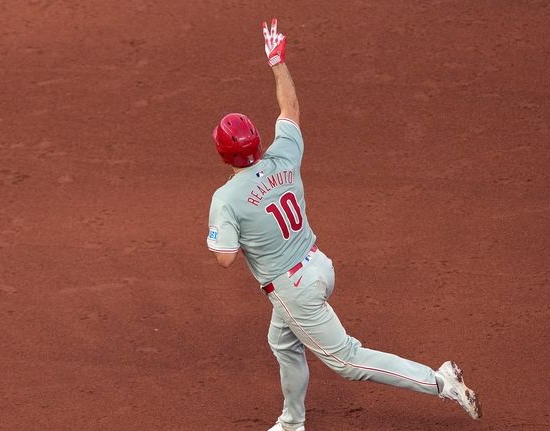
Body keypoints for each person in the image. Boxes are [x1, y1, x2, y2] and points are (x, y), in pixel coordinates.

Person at [206, 18, 482, 431]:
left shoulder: (225, 199)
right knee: (282, 343)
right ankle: (291, 423)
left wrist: (233, 230)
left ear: (223, 155)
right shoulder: (284, 155)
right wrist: (277, 62)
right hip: (318, 264)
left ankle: (440, 381)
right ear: (257, 142)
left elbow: (225, 257)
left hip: (293, 290)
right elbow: (291, 109)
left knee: (348, 361)